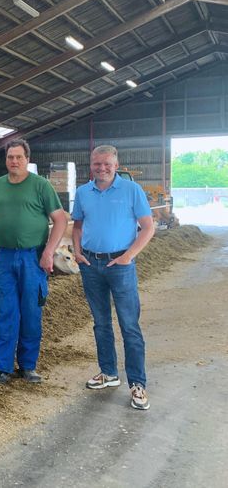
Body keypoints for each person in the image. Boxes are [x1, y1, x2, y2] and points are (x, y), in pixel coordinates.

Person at [0, 139, 67, 385]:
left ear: (27, 159)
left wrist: (48, 252)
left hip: (33, 258)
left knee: (31, 312)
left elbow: (60, 220)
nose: (14, 161)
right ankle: (1, 368)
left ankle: (27, 366)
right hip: (4, 257)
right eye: (10, 157)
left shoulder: (41, 185)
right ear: (5, 159)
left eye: (18, 157)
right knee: (6, 313)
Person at [71, 145, 155, 410]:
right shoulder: (83, 192)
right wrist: (77, 251)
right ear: (91, 166)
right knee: (101, 323)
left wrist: (128, 256)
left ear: (116, 165)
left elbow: (148, 227)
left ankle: (137, 383)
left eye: (107, 164)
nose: (102, 168)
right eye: (97, 164)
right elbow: (77, 226)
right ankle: (108, 372)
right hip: (90, 263)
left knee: (129, 324)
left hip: (120, 265)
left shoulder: (132, 190)